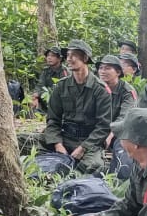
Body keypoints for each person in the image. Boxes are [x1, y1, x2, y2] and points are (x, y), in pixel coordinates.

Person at [23, 39, 112, 175]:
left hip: (88, 140)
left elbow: (103, 127)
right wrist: (58, 144)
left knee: (93, 167)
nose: (69, 59)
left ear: (85, 58)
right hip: (65, 136)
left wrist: (83, 148)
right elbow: (53, 119)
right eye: (68, 55)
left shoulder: (100, 89)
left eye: (74, 55)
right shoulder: (61, 86)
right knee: (29, 147)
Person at [98, 55, 138, 123]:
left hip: (119, 129)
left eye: (107, 68)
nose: (102, 71)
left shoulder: (127, 91)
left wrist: (113, 131)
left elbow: (125, 117)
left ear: (118, 72)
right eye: (101, 68)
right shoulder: (96, 88)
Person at [31, 46, 67, 114]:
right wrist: (35, 96)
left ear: (59, 58)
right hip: (46, 98)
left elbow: (63, 90)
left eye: (53, 56)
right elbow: (40, 85)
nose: (49, 58)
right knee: (32, 100)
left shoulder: (64, 71)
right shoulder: (46, 71)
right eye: (48, 55)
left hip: (60, 101)